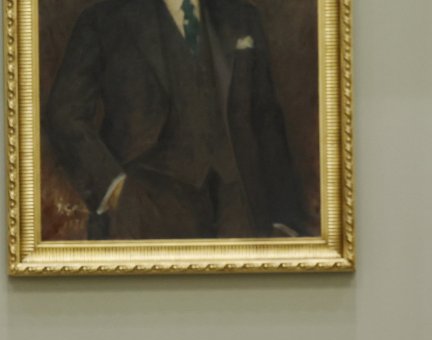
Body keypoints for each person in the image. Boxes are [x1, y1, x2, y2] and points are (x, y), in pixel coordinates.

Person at [45, 0, 314, 240]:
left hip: (238, 207)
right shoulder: (104, 20)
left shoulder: (242, 17)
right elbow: (64, 113)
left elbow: (266, 120)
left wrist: (284, 216)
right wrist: (114, 188)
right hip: (144, 208)